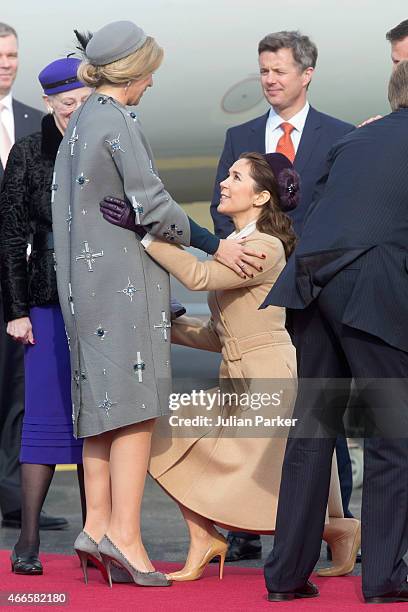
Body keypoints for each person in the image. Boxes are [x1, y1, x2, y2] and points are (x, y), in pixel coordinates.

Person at [52, 20, 263, 588]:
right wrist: (215, 242)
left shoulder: (78, 123)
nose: (151, 86)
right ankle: (125, 533)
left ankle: (95, 527)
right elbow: (156, 205)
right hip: (121, 290)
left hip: (84, 288)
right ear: (132, 71)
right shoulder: (118, 120)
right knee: (137, 412)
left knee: (99, 412)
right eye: (150, 74)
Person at [101, 151, 361, 582]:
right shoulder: (240, 244)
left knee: (266, 483)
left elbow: (201, 278)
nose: (224, 182)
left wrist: (148, 235)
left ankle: (332, 528)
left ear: (260, 197)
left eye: (236, 177)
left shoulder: (266, 247)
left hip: (271, 379)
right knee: (172, 433)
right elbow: (218, 336)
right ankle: (215, 535)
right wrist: (166, 324)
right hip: (238, 376)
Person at [261, 61, 408, 604]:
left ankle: (285, 578)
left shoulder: (356, 139)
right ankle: (386, 579)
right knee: (393, 439)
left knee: (312, 431)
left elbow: (318, 211)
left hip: (312, 286)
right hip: (371, 291)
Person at [210, 30, 355, 561]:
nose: (269, 80)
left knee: (318, 411)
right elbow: (218, 205)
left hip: (316, 297)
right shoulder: (240, 134)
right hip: (255, 297)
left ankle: (334, 524)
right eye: (264, 71)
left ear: (306, 74)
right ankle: (247, 524)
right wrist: (233, 249)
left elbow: (340, 212)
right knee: (252, 414)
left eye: (279, 71)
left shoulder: (338, 136)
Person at [0, 57, 92, 575]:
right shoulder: (29, 152)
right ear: (51, 102)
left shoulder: (105, 146)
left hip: (101, 300)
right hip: (46, 299)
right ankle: (29, 539)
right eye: (67, 103)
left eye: (84, 102)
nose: (75, 112)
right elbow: (11, 235)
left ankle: (95, 536)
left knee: (95, 425)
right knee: (43, 420)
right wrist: (16, 310)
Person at [0, 22, 65, 532]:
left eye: (12, 54)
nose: (7, 63)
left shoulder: (32, 122)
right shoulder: (32, 141)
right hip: (24, 275)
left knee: (23, 397)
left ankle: (15, 502)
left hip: (47, 284)